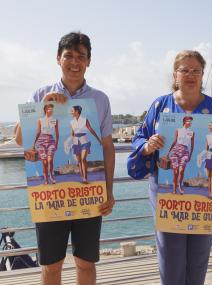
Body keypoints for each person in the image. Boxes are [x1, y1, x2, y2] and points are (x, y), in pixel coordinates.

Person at [127, 50, 212, 285]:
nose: (190, 75)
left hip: (206, 200)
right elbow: (139, 138)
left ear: (203, 75)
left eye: (196, 70)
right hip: (165, 194)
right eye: (184, 70)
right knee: (169, 253)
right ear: (175, 74)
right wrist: (147, 146)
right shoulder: (159, 105)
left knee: (199, 253)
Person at [15, 32, 115, 285]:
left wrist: (109, 191)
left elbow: (106, 146)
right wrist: (43, 107)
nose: (74, 61)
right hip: (50, 197)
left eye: (81, 56)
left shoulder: (100, 99)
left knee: (86, 262)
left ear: (89, 61)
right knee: (51, 265)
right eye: (68, 55)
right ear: (58, 58)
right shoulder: (40, 93)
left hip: (89, 194)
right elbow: (19, 139)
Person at [70, 105, 102, 184]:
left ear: (77, 112)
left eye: (72, 111)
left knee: (83, 159)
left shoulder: (85, 120)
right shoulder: (71, 122)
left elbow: (91, 129)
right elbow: (72, 133)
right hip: (76, 142)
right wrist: (71, 142)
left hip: (85, 141)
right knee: (79, 161)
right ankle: (83, 178)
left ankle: (85, 178)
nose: (71, 112)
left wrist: (98, 139)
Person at [166, 116, 194, 194]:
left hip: (185, 152)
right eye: (189, 121)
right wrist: (168, 152)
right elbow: (174, 141)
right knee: (175, 172)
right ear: (184, 121)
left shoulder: (192, 132)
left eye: (191, 121)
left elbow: (192, 145)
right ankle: (174, 189)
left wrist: (190, 155)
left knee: (181, 171)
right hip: (176, 151)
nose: (190, 123)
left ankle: (180, 186)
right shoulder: (178, 130)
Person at [32, 103, 59, 185]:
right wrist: (34, 143)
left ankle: (51, 175)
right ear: (45, 110)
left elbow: (57, 134)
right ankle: (46, 179)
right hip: (41, 142)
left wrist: (56, 144)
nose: (51, 110)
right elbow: (38, 132)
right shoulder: (40, 120)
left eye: (51, 109)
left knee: (50, 160)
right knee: (44, 162)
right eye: (49, 109)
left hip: (51, 141)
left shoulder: (55, 120)